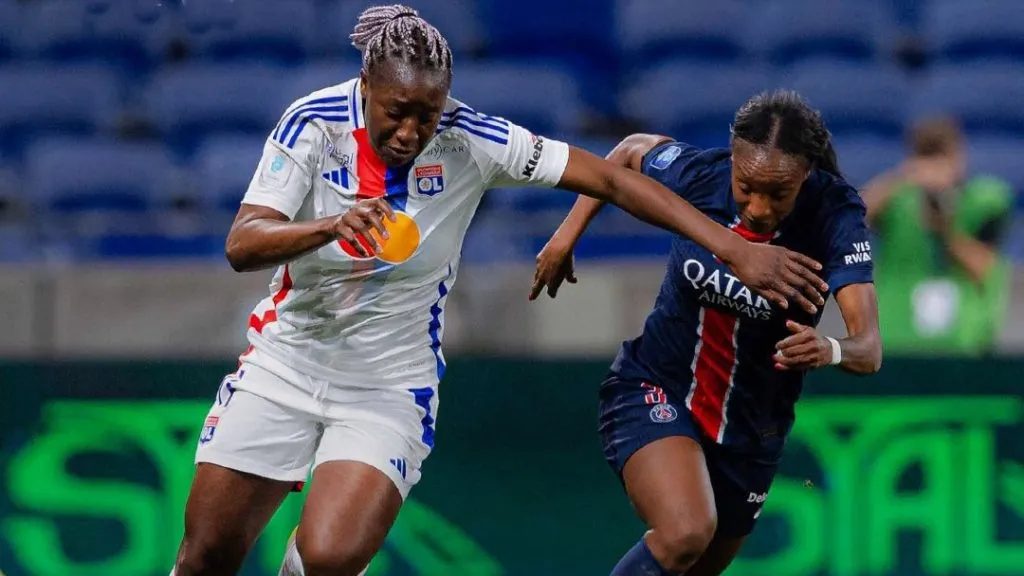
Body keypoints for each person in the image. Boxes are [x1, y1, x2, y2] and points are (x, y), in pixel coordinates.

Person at [170, 5, 828, 575]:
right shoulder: (312, 124)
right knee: (206, 559)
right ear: (366, 86)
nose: (411, 132)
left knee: (331, 557)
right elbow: (243, 243)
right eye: (398, 113)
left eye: (427, 115)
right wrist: (330, 225)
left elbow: (612, 180)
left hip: (387, 387)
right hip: (284, 366)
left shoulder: (472, 139)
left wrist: (732, 246)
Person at [531, 90, 882, 576]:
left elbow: (869, 350)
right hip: (656, 384)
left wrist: (832, 348)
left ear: (806, 175)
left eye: (777, 193)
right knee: (685, 532)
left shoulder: (835, 215)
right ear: (733, 160)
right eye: (746, 187)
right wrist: (567, 234)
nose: (758, 207)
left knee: (692, 565)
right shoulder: (701, 175)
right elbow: (628, 152)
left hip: (751, 432)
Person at [862, 116, 1013, 356]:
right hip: (898, 335)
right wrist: (903, 177)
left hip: (963, 337)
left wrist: (946, 229)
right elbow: (852, 220)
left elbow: (984, 268)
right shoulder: (896, 200)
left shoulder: (985, 199)